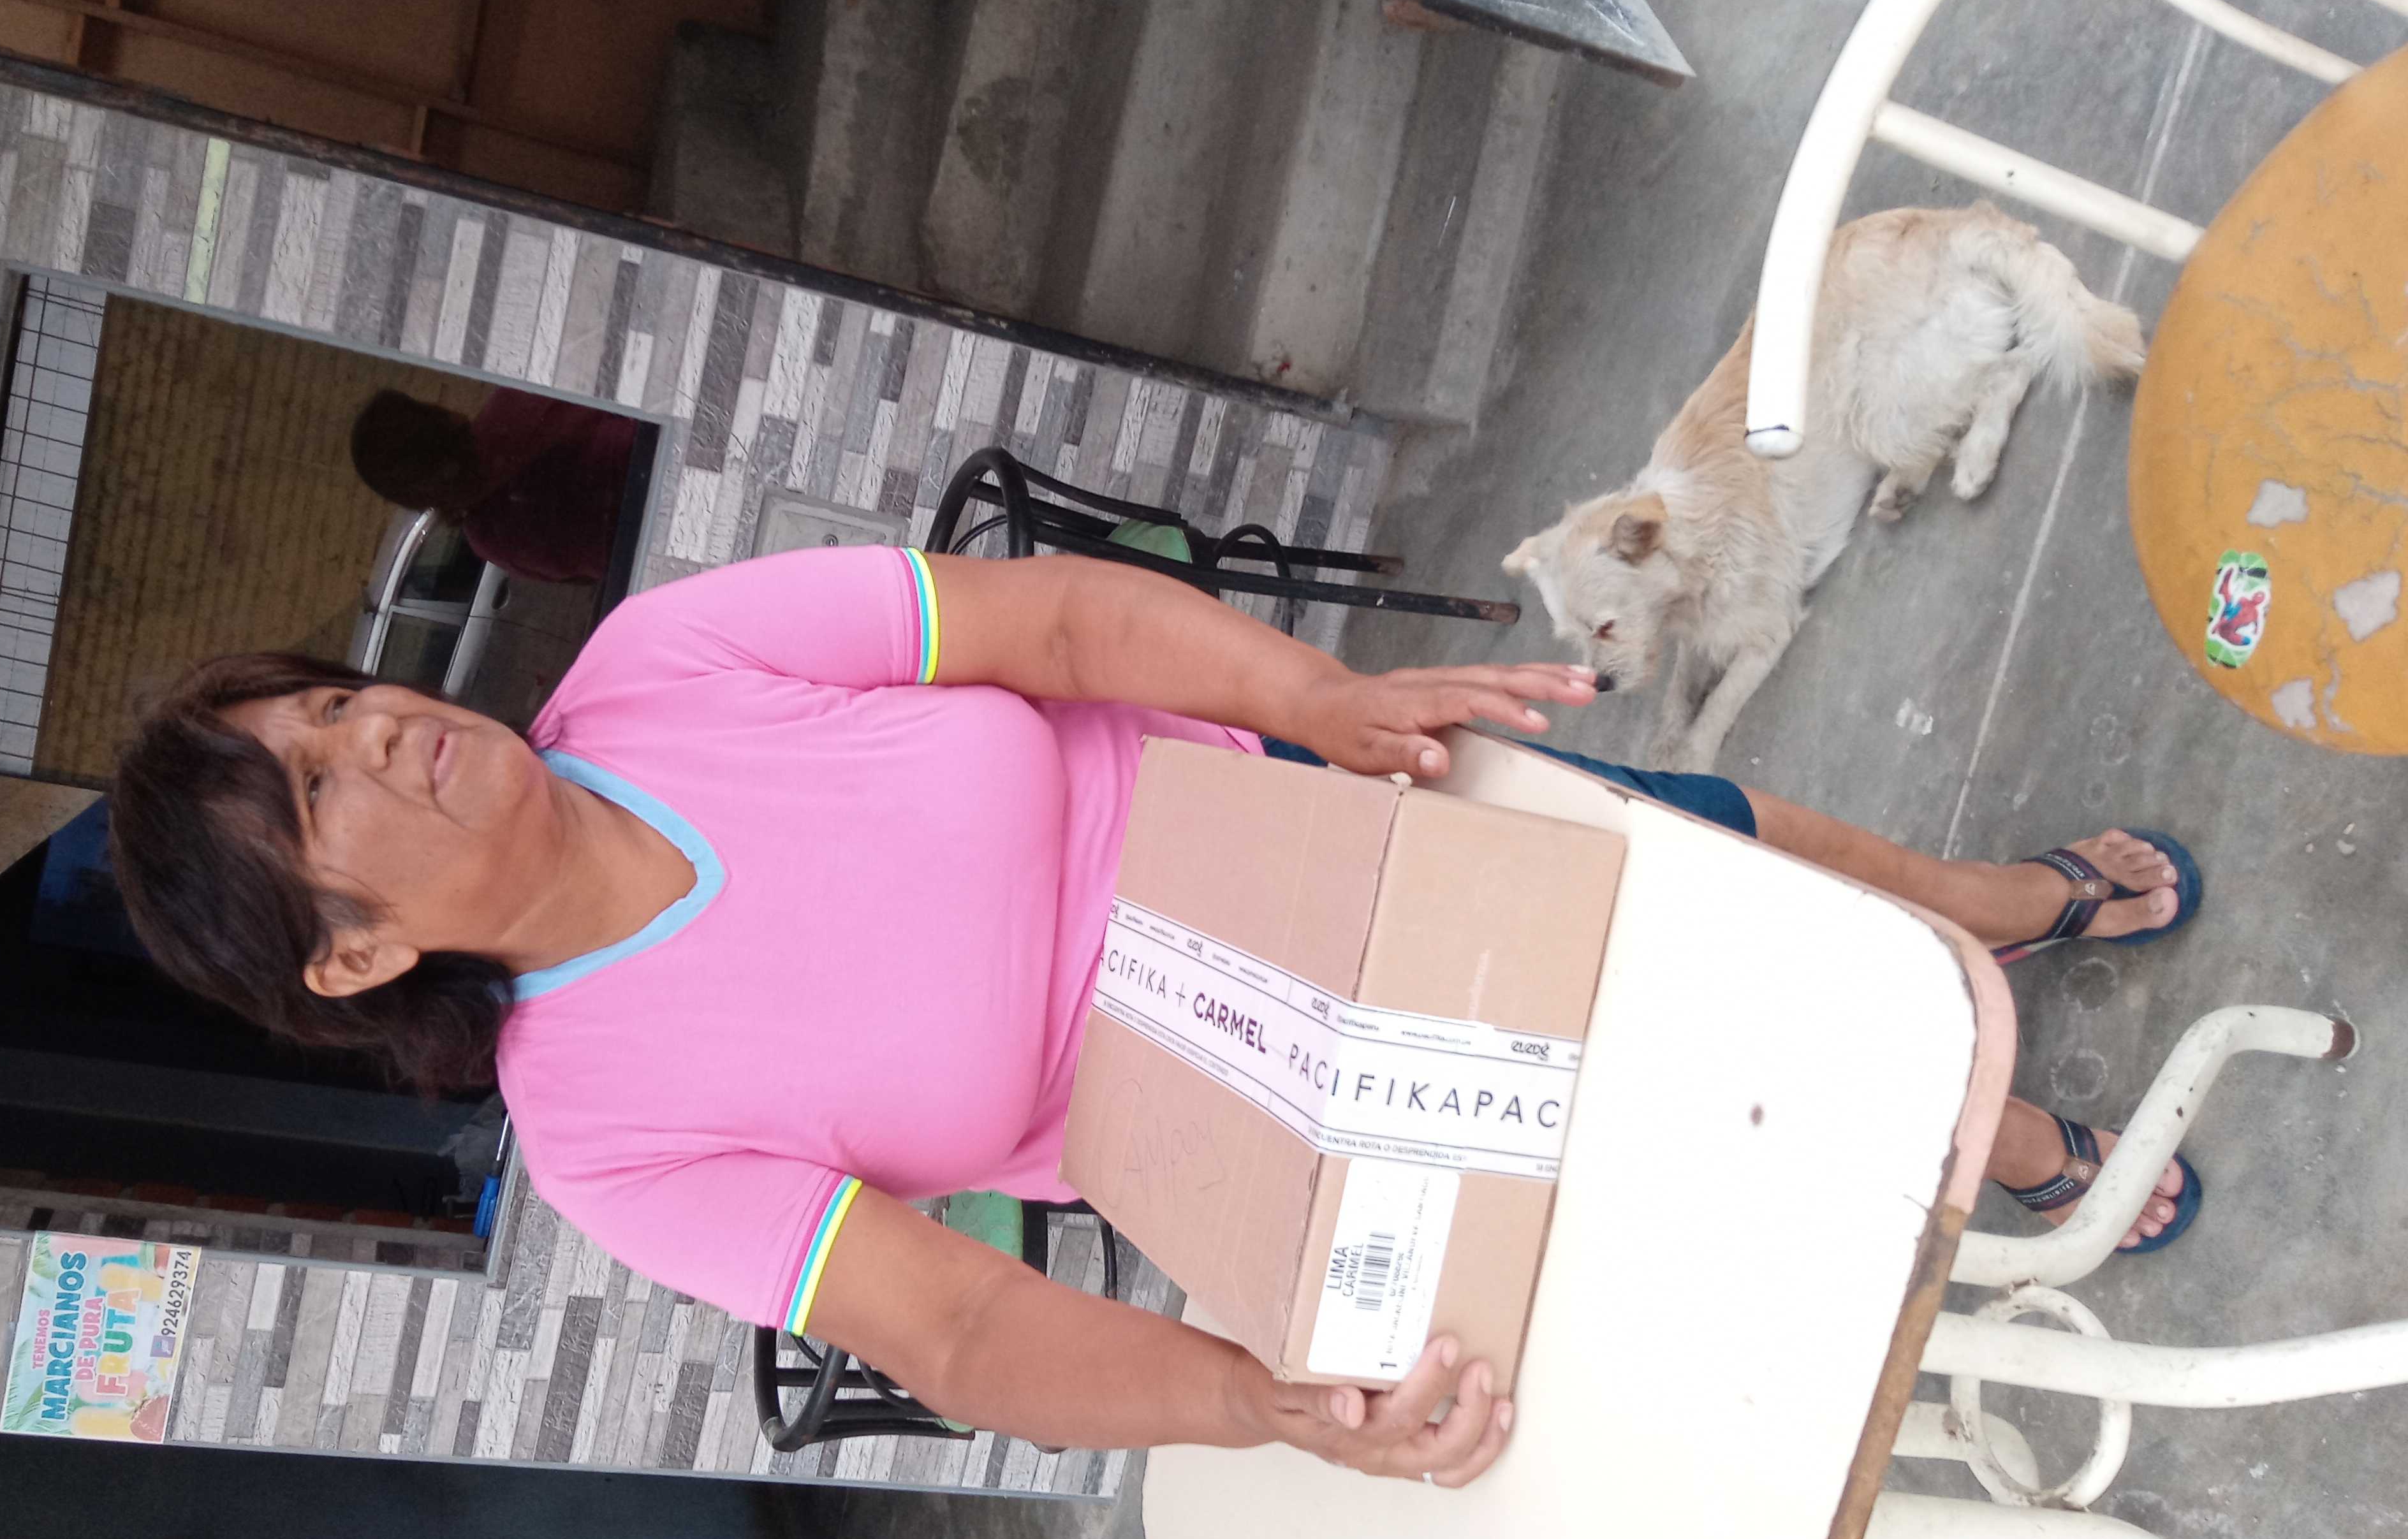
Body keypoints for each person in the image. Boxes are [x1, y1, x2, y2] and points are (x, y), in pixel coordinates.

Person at [107, 548, 2196, 1489]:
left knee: (1703, 856)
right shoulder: (605, 1137)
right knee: (1681, 1139)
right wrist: (1259, 1403)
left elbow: (1053, 619)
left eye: (332, 701)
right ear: (351, 959)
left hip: (1315, 824)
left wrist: (1314, 695)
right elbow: (961, 1328)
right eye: (322, 792)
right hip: (1288, 1118)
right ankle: (1990, 1126)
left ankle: (1989, 915)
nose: (380, 728)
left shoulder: (667, 665)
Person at [351, 387, 636, 585]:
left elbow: (599, 575)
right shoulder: (517, 402)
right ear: (439, 416)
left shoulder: (494, 541)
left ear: (415, 496)